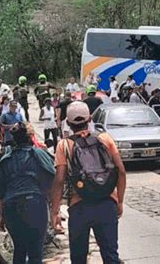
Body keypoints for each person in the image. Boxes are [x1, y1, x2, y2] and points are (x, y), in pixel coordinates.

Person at [50, 101, 127, 263]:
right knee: (110, 255)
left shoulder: (64, 145)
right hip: (107, 203)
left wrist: (55, 211)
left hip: (79, 207)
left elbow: (59, 180)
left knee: (78, 258)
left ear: (68, 123)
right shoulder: (105, 139)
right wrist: (119, 201)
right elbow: (121, 171)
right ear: (90, 119)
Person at [0, 122, 55, 264]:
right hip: (35, 205)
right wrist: (53, 209)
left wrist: (1, 215)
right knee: (35, 253)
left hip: (11, 208)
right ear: (31, 137)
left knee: (19, 250)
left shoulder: (5, 160)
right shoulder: (38, 154)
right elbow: (52, 179)